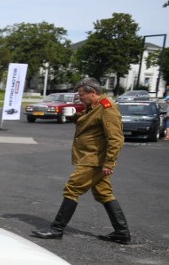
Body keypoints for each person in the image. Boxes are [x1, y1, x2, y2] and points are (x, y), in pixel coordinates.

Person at [31, 77, 130, 244]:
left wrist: (109, 163)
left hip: (94, 159)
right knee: (103, 193)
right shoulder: (93, 106)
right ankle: (122, 233)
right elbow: (88, 123)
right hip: (89, 156)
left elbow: (116, 139)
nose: (80, 98)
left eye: (82, 95)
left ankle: (56, 229)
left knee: (72, 189)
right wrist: (73, 116)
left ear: (93, 93)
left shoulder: (107, 108)